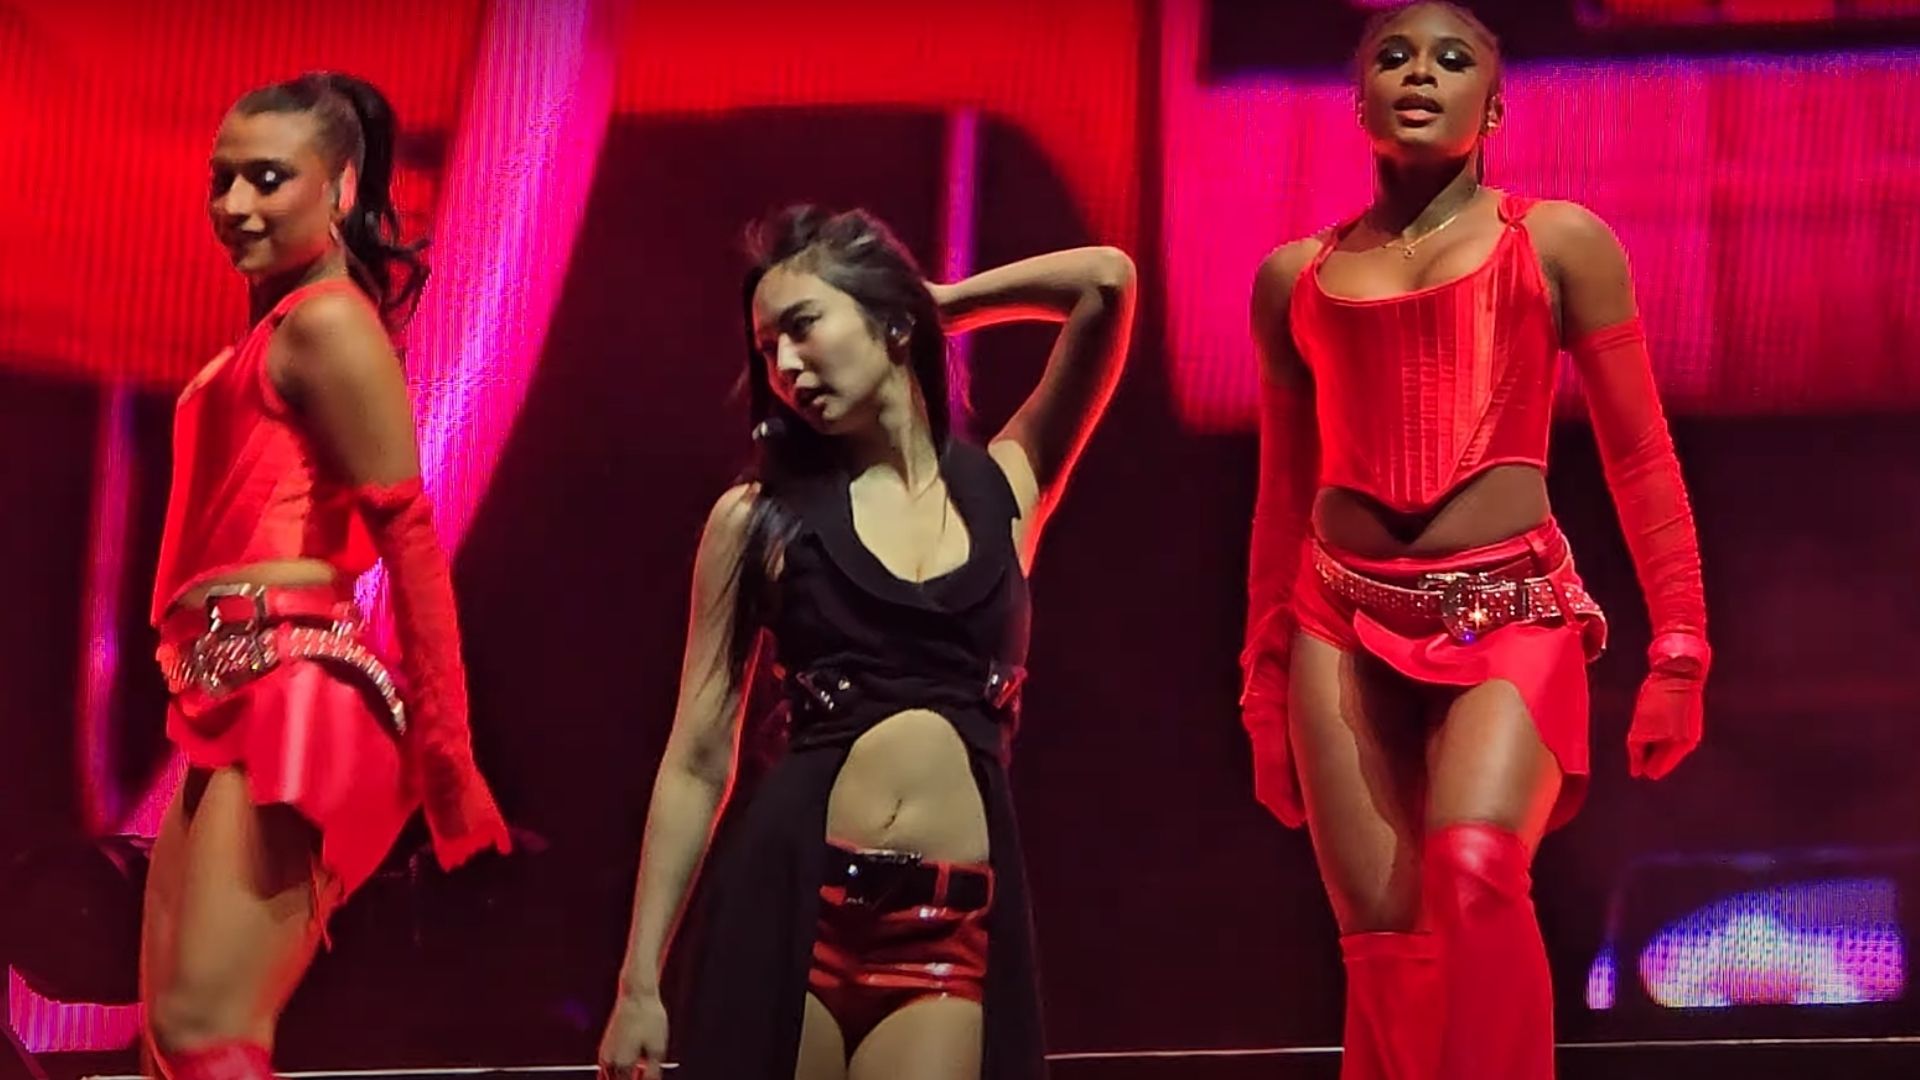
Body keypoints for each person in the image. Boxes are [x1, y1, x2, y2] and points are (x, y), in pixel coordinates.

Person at [1237, 5, 1710, 1077]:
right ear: (1358, 101)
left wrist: (1679, 649)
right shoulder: (1292, 276)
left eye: (1452, 61)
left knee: (1475, 866)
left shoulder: (1559, 242)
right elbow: (1280, 498)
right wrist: (1262, 692)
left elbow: (1641, 458)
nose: (1420, 73)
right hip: (1337, 619)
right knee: (1384, 941)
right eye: (1393, 58)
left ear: (1492, 110)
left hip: (1509, 612)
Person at [597, 206, 1135, 1080]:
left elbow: (1106, 282)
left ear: (889, 322)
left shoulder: (1005, 486)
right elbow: (696, 759)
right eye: (766, 349)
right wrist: (638, 985)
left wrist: (938, 303)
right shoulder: (757, 520)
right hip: (790, 907)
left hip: (946, 936)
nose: (784, 366)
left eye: (802, 326)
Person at [140, 72, 510, 1080]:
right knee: (174, 1040)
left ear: (341, 188)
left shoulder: (329, 323)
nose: (234, 205)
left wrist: (446, 751)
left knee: (203, 1030)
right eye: (221, 181)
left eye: (267, 179)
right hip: (227, 685)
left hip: (293, 687)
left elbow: (411, 537)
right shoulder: (278, 328)